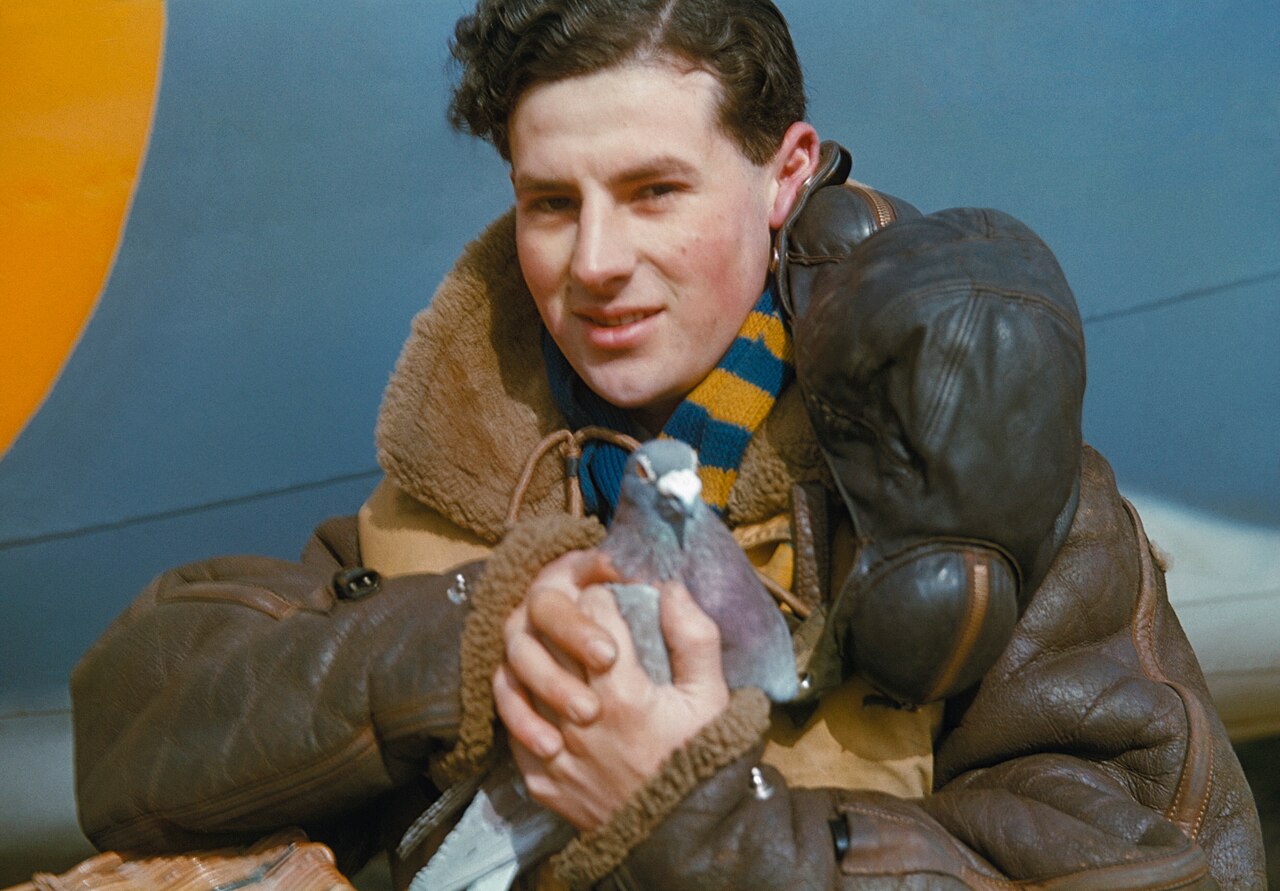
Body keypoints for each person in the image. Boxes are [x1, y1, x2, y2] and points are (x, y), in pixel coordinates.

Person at [71, 1, 1265, 888]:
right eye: (551, 202)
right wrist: (477, 635)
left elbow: (1154, 867)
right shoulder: (468, 475)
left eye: (654, 192)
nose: (592, 264)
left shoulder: (967, 496)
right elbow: (134, 728)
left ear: (784, 175)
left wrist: (696, 818)